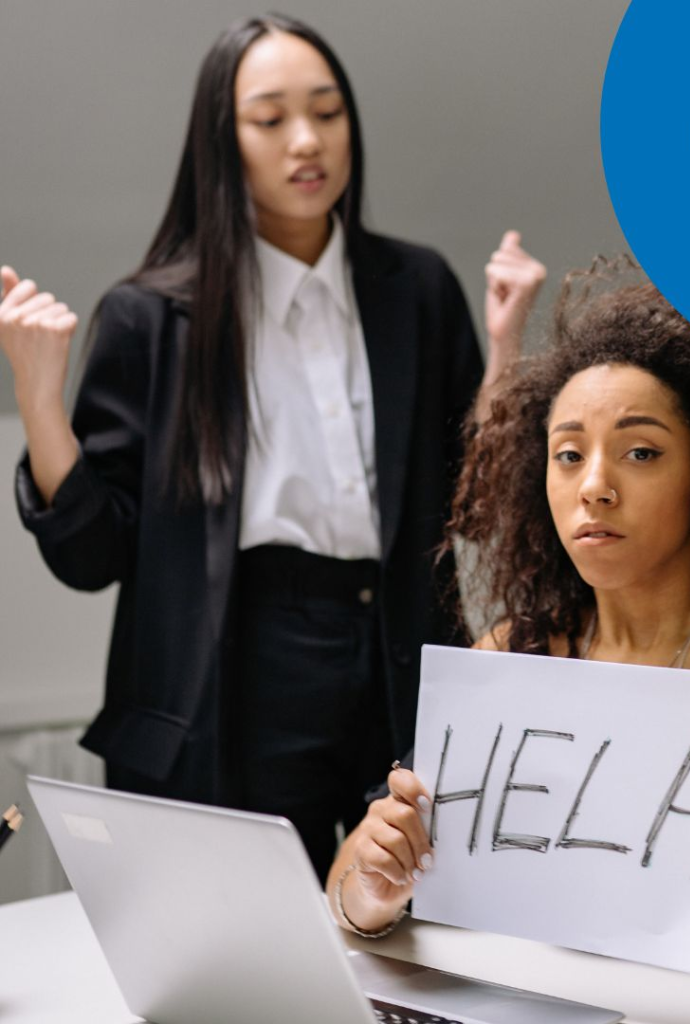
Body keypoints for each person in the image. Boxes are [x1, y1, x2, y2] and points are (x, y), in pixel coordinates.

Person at [0, 13, 545, 883]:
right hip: (233, 671)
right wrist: (37, 397)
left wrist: (506, 347)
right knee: (246, 951)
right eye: (270, 118)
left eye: (328, 113)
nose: (307, 140)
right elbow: (93, 554)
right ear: (224, 138)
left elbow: (472, 511)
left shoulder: (417, 290)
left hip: (393, 650)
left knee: (417, 937)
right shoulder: (151, 317)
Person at [326, 262, 690, 999]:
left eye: (640, 452)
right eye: (568, 454)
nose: (595, 485)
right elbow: (349, 890)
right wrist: (372, 896)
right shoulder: (511, 651)